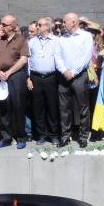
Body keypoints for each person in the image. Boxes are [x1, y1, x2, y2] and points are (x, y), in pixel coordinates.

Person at [55, 13, 94, 149]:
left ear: (73, 22)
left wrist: (74, 72)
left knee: (83, 108)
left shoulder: (86, 36)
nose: (62, 24)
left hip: (79, 76)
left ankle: (83, 137)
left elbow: (86, 56)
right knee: (64, 109)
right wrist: (64, 70)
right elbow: (57, 56)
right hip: (64, 76)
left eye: (64, 22)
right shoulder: (62, 39)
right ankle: (65, 136)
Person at [0, 15, 29, 149]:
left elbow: (23, 59)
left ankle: (21, 137)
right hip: (1, 76)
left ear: (12, 26)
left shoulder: (21, 39)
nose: (1, 27)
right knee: (3, 108)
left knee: (18, 107)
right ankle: (6, 138)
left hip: (16, 76)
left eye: (4, 24)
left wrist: (9, 72)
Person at [27, 17, 60, 145]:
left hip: (51, 77)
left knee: (52, 107)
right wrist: (28, 78)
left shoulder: (56, 41)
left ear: (47, 26)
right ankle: (41, 135)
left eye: (40, 25)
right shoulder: (32, 42)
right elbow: (28, 61)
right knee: (38, 108)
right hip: (35, 77)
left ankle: (54, 135)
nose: (37, 27)